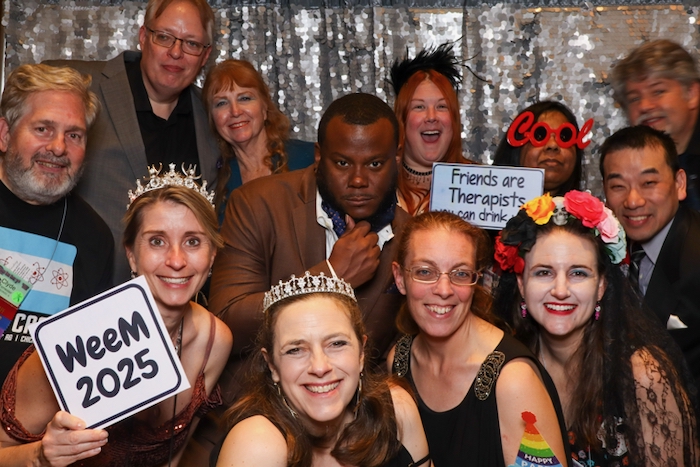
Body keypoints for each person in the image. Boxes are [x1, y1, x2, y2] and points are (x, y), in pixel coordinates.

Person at [0, 168, 233, 466]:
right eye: (157, 241)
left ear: (212, 256)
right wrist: (40, 456)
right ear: (131, 255)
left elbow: (171, 459)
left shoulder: (213, 341)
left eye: (193, 242)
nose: (176, 260)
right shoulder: (72, 341)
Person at [209, 92, 409, 403]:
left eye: (374, 164)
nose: (358, 179)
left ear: (396, 158)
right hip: (257, 409)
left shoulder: (410, 236)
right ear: (318, 156)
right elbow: (225, 321)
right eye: (342, 163)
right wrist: (330, 276)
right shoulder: (257, 204)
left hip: (354, 420)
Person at [493, 190, 699, 466]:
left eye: (578, 273)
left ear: (601, 285)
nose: (560, 290)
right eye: (544, 272)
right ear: (521, 285)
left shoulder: (641, 374)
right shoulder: (507, 366)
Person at [46, 0, 220, 283]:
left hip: (177, 295)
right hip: (79, 289)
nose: (176, 52)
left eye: (191, 43)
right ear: (143, 36)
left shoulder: (213, 116)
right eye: (164, 37)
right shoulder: (78, 87)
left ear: (205, 55)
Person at [388, 211, 568, 467]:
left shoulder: (513, 381)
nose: (443, 290)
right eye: (425, 271)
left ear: (476, 280)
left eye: (460, 274)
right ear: (400, 278)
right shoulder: (400, 359)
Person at [214, 272, 431, 467]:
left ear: (361, 354)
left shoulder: (396, 408)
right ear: (272, 365)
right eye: (295, 350)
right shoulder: (257, 442)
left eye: (336, 344)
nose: (319, 367)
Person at [0, 64, 113, 384]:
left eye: (74, 135)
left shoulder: (94, 238)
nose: (59, 147)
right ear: (4, 134)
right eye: (43, 129)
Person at [600, 125, 700, 389]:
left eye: (648, 183)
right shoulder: (604, 248)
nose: (633, 201)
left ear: (679, 184)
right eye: (618, 186)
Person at [202, 59, 314, 218]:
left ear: (265, 106)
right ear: (212, 118)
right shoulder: (213, 183)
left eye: (244, 98)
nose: (235, 111)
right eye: (221, 103)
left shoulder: (310, 160)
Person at [610, 39, 700, 211]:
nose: (645, 106)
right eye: (634, 98)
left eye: (658, 92)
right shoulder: (630, 167)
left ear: (692, 93)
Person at [389, 43, 468, 216]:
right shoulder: (378, 184)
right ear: (402, 118)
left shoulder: (483, 185)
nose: (431, 116)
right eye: (419, 107)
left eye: (441, 106)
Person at [493, 101, 585, 197]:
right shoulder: (485, 204)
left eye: (564, 137)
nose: (553, 145)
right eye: (539, 136)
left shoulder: (591, 206)